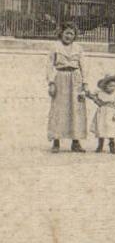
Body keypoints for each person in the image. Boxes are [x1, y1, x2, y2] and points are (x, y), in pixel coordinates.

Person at [47, 25, 89, 153]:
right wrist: (51, 83)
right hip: (60, 78)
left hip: (75, 79)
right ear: (61, 33)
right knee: (59, 109)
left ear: (75, 35)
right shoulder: (55, 47)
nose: (68, 36)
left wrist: (85, 83)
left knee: (76, 110)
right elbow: (49, 66)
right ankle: (56, 141)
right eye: (66, 33)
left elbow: (83, 66)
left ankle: (76, 142)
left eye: (71, 33)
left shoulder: (78, 48)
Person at [89, 73, 115, 154]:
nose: (113, 88)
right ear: (105, 86)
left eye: (114, 86)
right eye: (110, 86)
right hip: (102, 113)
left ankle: (112, 145)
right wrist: (93, 98)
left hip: (110, 114)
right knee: (101, 129)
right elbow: (94, 97)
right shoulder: (101, 94)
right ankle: (100, 145)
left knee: (111, 129)